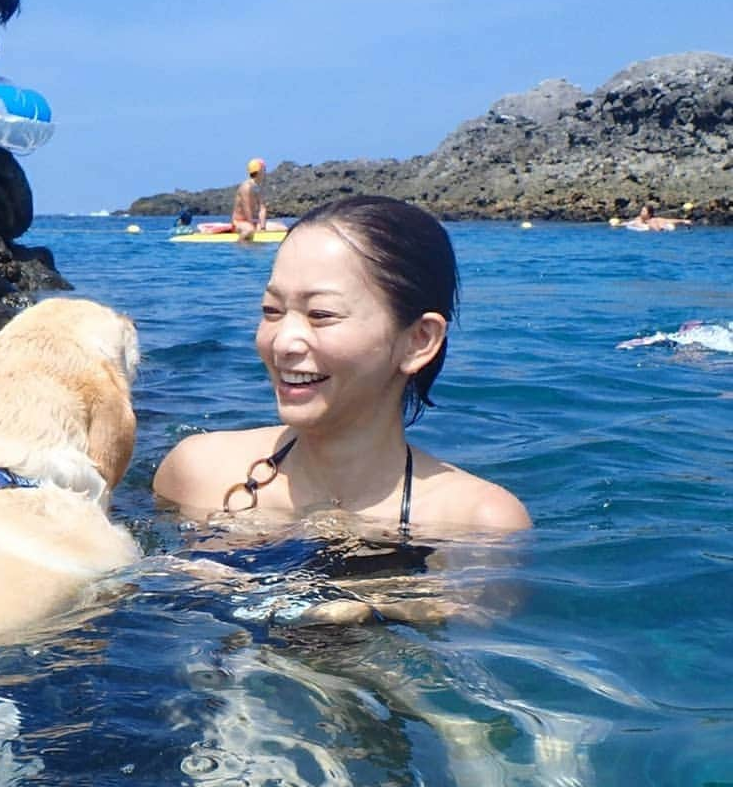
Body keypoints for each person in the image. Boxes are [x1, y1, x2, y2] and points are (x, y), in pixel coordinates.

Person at [154, 195, 531, 535]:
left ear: (419, 340)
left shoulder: (477, 526)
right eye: (272, 311)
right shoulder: (195, 474)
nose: (282, 342)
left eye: (321, 314)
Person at [624, 202, 691, 232]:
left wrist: (683, 221)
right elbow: (628, 223)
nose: (641, 213)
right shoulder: (638, 219)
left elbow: (669, 221)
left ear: (649, 214)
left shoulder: (654, 220)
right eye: (641, 211)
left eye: (644, 212)